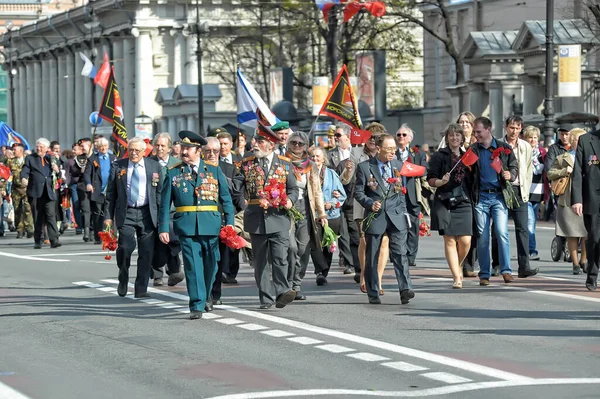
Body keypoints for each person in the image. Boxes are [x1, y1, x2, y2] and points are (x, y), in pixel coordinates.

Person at [159, 131, 235, 319]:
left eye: (188, 149)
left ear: (198, 151)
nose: (184, 152)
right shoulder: (174, 171)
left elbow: (226, 199)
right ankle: (196, 304)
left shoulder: (213, 170)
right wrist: (163, 228)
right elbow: (165, 202)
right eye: (182, 148)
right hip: (186, 226)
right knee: (193, 266)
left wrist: (230, 224)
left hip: (211, 224)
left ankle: (206, 295)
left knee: (211, 265)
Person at [235, 122, 299, 309]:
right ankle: (266, 298)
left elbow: (293, 189)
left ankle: (282, 291)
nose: (255, 144)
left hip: (278, 216)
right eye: (255, 140)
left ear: (271, 144)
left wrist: (290, 200)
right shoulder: (247, 164)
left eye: (260, 141)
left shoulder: (285, 163)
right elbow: (238, 188)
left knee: (280, 257)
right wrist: (242, 204)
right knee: (261, 261)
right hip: (256, 218)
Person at [354, 134, 415, 305]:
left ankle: (405, 289)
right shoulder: (365, 167)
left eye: (394, 149)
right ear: (378, 148)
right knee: (372, 255)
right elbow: (359, 192)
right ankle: (373, 292)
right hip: (376, 216)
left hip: (396, 216)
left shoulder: (397, 165)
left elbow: (401, 191)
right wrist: (369, 203)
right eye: (389, 149)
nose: (392, 152)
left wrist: (403, 212)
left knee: (400, 254)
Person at [105, 137, 162, 299]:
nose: (134, 153)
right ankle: (123, 275)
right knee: (125, 248)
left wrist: (160, 217)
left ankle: (141, 288)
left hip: (147, 214)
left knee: (146, 252)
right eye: (131, 150)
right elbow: (111, 194)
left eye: (138, 150)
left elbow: (160, 192)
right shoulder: (118, 166)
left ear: (144, 152)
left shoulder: (154, 166)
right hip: (127, 212)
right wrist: (108, 217)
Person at [469, 117, 517, 285]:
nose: (476, 135)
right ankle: (484, 274)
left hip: (498, 196)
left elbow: (514, 167)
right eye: (475, 132)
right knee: (482, 236)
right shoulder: (473, 149)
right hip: (480, 197)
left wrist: (510, 175)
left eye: (479, 132)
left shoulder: (503, 148)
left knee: (502, 232)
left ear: (488, 130)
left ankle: (506, 271)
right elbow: (467, 173)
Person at [427, 123, 474, 288]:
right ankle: (456, 277)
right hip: (445, 200)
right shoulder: (439, 156)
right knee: (449, 240)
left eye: (457, 135)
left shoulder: (468, 155)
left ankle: (458, 263)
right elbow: (430, 178)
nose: (454, 138)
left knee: (466, 240)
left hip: (464, 201)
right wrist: (441, 181)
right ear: (447, 138)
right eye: (451, 135)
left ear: (462, 138)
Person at [202, 137, 245, 304]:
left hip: (222, 220)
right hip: (203, 218)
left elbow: (236, 193)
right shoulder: (198, 169)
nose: (212, 154)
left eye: (215, 151)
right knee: (205, 257)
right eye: (208, 151)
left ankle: (215, 293)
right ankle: (204, 292)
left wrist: (242, 212)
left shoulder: (229, 168)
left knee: (219, 259)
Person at [494, 116, 538, 278]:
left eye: (517, 128)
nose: (514, 131)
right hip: (501, 190)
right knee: (498, 228)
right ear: (505, 127)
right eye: (512, 127)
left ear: (521, 129)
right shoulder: (497, 144)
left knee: (523, 228)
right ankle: (497, 264)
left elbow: (528, 169)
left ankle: (524, 266)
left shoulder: (525, 146)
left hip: (519, 189)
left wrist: (525, 187)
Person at [285, 131, 327, 295]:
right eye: (294, 142)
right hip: (287, 207)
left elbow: (317, 191)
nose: (297, 146)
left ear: (305, 146)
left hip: (305, 207)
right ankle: (288, 282)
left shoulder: (311, 165)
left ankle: (297, 283)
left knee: (303, 248)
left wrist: (321, 214)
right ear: (288, 144)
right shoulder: (282, 162)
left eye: (300, 143)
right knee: (291, 247)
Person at [548, 128, 588, 275]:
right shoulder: (564, 157)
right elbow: (550, 173)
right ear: (573, 141)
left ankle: (584, 259)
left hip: (586, 198)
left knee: (586, 233)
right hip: (568, 199)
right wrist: (565, 171)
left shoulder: (591, 157)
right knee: (572, 233)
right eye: (578, 140)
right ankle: (575, 263)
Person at [149, 133, 185, 287]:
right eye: (157, 145)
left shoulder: (178, 164)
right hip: (153, 209)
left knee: (171, 239)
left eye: (163, 146)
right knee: (155, 242)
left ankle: (174, 270)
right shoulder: (149, 163)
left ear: (170, 148)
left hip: (172, 209)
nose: (160, 148)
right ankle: (157, 274)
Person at [310, 146, 347, 281]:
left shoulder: (331, 174)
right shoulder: (307, 172)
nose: (315, 159)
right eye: (312, 156)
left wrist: (331, 202)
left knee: (327, 244)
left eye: (317, 156)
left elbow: (342, 195)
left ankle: (324, 272)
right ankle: (320, 270)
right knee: (315, 243)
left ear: (323, 159)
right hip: (313, 214)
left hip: (331, 214)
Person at [571, 127, 600, 291]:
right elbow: (578, 172)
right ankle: (592, 274)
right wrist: (577, 200)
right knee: (595, 238)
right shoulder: (586, 139)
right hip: (593, 198)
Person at [395, 124, 428, 267]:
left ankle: (411, 255)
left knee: (413, 226)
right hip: (395, 194)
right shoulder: (391, 153)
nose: (401, 137)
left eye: (404, 135)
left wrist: (408, 169)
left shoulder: (417, 153)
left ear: (410, 138)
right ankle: (397, 252)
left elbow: (423, 171)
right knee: (397, 225)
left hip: (412, 193)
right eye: (398, 135)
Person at [20, 138, 62, 249]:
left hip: (49, 192)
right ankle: (38, 240)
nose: (39, 148)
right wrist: (24, 177)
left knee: (51, 216)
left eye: (41, 147)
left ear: (47, 148)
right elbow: (25, 170)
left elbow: (60, 175)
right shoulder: (30, 158)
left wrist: (57, 170)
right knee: (38, 217)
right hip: (36, 192)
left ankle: (54, 239)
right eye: (37, 146)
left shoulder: (52, 159)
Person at [84, 137, 116, 244]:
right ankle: (98, 236)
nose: (104, 148)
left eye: (105, 146)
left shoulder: (113, 158)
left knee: (109, 213)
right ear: (97, 148)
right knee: (97, 214)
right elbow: (87, 173)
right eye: (101, 146)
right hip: (98, 189)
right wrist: (88, 183)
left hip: (111, 190)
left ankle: (110, 235)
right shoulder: (93, 158)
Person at [524, 126, 546, 261]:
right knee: (530, 221)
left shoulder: (542, 152)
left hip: (538, 190)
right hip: (525, 190)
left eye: (535, 137)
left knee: (532, 222)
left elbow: (544, 170)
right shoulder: (523, 150)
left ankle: (527, 247)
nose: (532, 140)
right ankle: (532, 250)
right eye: (530, 137)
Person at [6, 143, 34, 238]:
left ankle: (30, 229)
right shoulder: (10, 161)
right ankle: (20, 230)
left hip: (27, 188)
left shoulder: (28, 160)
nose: (13, 151)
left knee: (28, 209)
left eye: (15, 150)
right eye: (13, 150)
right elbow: (5, 175)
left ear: (21, 151)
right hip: (16, 189)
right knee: (17, 209)